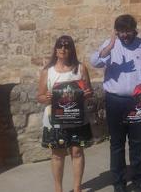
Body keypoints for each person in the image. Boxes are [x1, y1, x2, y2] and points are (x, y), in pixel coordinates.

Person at [90, 14, 141, 192]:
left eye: (128, 31)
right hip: (115, 101)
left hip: (138, 101)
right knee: (117, 143)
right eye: (121, 32)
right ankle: (119, 183)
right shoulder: (110, 45)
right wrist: (109, 48)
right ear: (117, 32)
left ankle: (139, 180)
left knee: (137, 142)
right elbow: (95, 62)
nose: (125, 35)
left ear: (134, 29)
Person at [37, 35, 94, 192]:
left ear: (71, 49)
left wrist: (88, 93)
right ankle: (58, 189)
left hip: (77, 118)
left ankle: (77, 188)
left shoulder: (81, 68)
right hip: (54, 120)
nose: (63, 49)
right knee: (57, 155)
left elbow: (89, 92)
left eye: (67, 46)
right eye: (60, 46)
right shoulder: (47, 72)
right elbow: (40, 96)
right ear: (55, 49)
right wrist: (46, 97)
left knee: (77, 152)